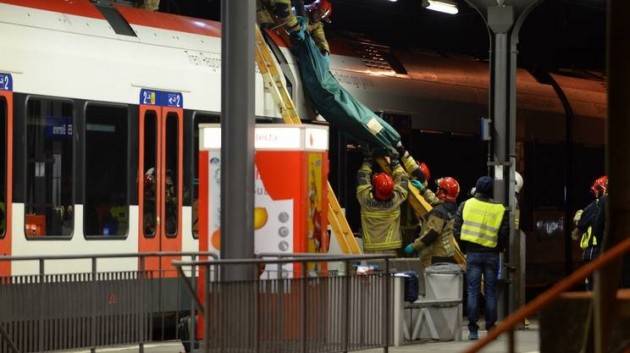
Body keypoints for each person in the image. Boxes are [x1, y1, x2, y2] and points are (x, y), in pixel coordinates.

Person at [454, 176, 509, 340]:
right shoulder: (500, 209)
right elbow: (504, 233)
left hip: (472, 254)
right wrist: (497, 248)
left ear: (477, 189)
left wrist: (465, 248)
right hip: (492, 255)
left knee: (472, 291)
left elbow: (456, 230)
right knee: (491, 292)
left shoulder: (466, 205)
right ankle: (491, 328)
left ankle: (472, 330)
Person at [404, 177, 465, 269]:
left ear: (444, 192)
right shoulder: (451, 207)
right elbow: (436, 202)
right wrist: (424, 190)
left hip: (435, 256)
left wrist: (414, 246)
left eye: (439, 188)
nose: (437, 190)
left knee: (432, 281)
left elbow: (431, 234)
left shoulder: (439, 213)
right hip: (447, 253)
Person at [356, 151, 409, 254]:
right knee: (389, 270)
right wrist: (395, 163)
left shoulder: (365, 198)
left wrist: (368, 161)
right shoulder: (396, 199)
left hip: (370, 249)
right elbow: (403, 179)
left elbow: (362, 176)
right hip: (391, 249)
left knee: (372, 270)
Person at [574, 176, 607, 290]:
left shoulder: (597, 204)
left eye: (598, 189)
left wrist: (580, 216)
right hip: (597, 249)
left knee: (592, 283)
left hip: (593, 249)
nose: (596, 192)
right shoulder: (603, 205)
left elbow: (580, 223)